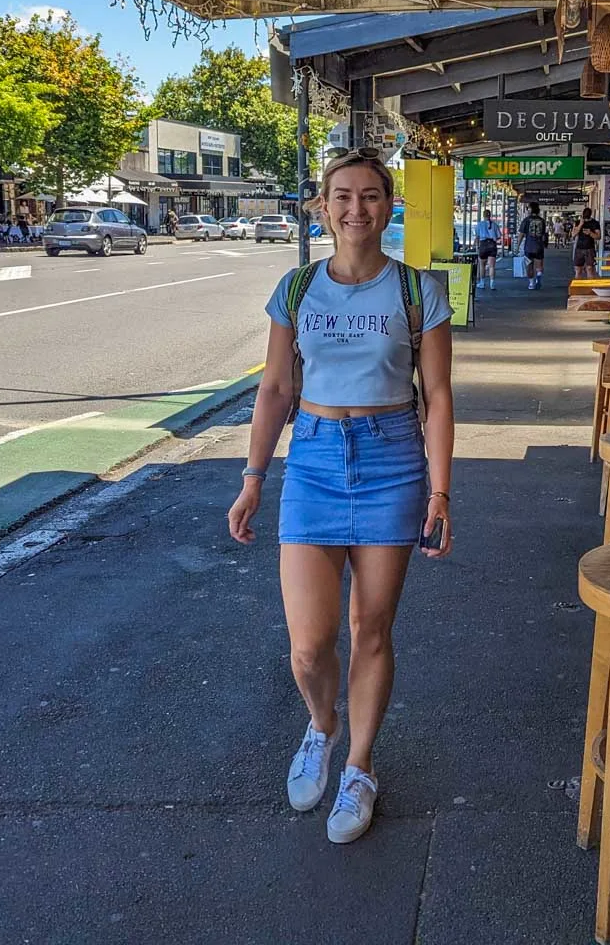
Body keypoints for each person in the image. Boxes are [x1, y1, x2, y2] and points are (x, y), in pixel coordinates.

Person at [228, 149, 454, 846]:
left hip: (392, 459)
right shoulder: (296, 291)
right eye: (342, 196)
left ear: (390, 206)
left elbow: (439, 395)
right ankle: (322, 727)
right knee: (307, 645)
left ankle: (359, 766)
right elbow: (274, 389)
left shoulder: (418, 292)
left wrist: (442, 488)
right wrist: (254, 475)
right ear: (322, 208)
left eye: (370, 196)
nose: (355, 208)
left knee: (372, 630)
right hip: (316, 460)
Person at [517, 202, 547, 291]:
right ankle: (538, 277)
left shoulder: (526, 220)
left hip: (528, 247)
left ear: (530, 209)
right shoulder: (542, 221)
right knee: (539, 265)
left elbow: (521, 234)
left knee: (529, 266)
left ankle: (531, 283)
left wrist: (517, 246)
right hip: (539, 246)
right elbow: (543, 235)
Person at [475, 207, 500, 291]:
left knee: (482, 265)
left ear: (483, 215)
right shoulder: (495, 225)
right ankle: (492, 284)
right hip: (492, 245)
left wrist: (476, 246)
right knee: (492, 266)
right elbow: (499, 236)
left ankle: (482, 283)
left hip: (483, 245)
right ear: (490, 216)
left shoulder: (479, 224)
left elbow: (477, 237)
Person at [573, 206, 601, 278]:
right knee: (578, 269)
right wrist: (580, 225)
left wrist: (590, 233)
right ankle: (577, 287)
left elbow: (598, 237)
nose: (585, 219)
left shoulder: (595, 223)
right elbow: (573, 234)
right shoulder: (578, 222)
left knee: (590, 269)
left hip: (590, 248)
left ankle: (589, 287)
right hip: (579, 248)